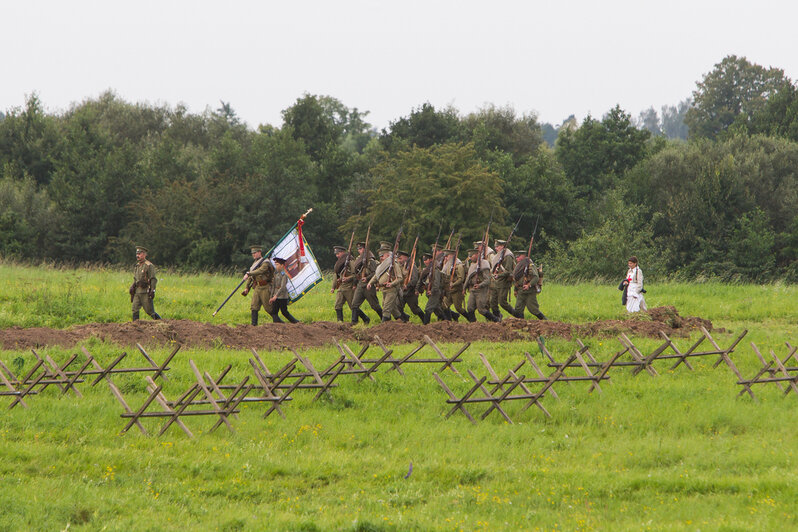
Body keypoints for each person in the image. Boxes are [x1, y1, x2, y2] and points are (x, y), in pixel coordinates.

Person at [367, 243, 405, 322]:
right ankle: (403, 322)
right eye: (380, 256)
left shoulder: (394, 264)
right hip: (384, 289)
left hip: (391, 290)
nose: (380, 258)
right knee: (394, 310)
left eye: (382, 256)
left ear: (388, 255)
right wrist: (370, 283)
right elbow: (376, 275)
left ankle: (383, 326)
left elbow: (400, 278)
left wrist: (391, 284)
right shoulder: (381, 266)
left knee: (386, 309)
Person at [350, 241, 383, 324]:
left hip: (369, 285)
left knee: (375, 306)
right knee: (354, 304)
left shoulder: (370, 260)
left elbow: (375, 273)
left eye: (360, 248)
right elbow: (355, 273)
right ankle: (355, 322)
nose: (359, 250)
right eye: (358, 249)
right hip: (360, 285)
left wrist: (367, 278)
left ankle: (385, 320)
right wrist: (354, 283)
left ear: (365, 249)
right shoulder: (358, 260)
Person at [242, 245, 274, 325]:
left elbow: (260, 271)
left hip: (265, 287)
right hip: (257, 287)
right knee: (254, 306)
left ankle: (278, 323)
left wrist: (249, 273)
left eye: (255, 253)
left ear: (259, 252)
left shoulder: (265, 262)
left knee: (268, 308)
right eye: (252, 253)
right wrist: (247, 288)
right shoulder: (254, 264)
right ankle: (253, 326)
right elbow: (251, 277)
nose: (253, 254)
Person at [464, 248, 498, 322]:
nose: (470, 258)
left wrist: (480, 285)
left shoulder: (484, 264)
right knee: (470, 307)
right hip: (473, 289)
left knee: (481, 310)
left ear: (477, 255)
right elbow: (468, 278)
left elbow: (487, 280)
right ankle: (473, 324)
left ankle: (496, 320)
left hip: (481, 290)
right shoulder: (472, 265)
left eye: (471, 255)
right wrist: (464, 288)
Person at [512, 248, 546, 320]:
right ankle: (521, 324)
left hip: (530, 291)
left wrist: (528, 285)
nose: (516, 258)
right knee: (518, 309)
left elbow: (536, 277)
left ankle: (546, 321)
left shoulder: (530, 265)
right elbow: (516, 279)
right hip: (521, 290)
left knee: (533, 309)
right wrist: (515, 289)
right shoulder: (518, 266)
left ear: (523, 256)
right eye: (516, 256)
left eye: (518, 256)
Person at [129, 246, 161, 321]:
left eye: (139, 254)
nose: (137, 255)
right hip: (137, 291)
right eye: (137, 253)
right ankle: (135, 326)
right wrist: (132, 286)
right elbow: (135, 278)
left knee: (149, 311)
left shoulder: (149, 266)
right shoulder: (137, 266)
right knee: (135, 309)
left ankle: (161, 323)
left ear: (144, 254)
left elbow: (153, 279)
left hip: (145, 292)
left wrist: (153, 290)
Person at [489, 239, 515, 320]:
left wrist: (498, 276)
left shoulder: (508, 256)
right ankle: (497, 318)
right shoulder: (498, 255)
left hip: (504, 283)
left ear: (502, 246)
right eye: (495, 246)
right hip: (496, 282)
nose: (496, 248)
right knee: (492, 302)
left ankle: (517, 315)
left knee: (502, 302)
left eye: (498, 246)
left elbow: (508, 271)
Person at [418, 251, 447, 324]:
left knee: (428, 309)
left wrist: (432, 291)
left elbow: (436, 284)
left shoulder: (435, 270)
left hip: (435, 292)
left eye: (426, 260)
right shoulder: (428, 270)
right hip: (429, 292)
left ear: (431, 260)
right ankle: (446, 321)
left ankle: (425, 325)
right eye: (424, 260)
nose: (425, 262)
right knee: (437, 309)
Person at [269, 257, 300, 323]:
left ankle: (296, 322)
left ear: (282, 265)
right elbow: (273, 286)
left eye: (277, 264)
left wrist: (275, 296)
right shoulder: (276, 274)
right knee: (274, 312)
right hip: (275, 295)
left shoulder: (284, 275)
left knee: (284, 312)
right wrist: (271, 296)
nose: (276, 266)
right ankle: (278, 325)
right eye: (275, 264)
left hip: (282, 296)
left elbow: (282, 287)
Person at [397, 250, 424, 322]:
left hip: (411, 292)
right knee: (398, 307)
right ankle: (405, 320)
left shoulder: (413, 267)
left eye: (400, 258)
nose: (399, 260)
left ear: (406, 258)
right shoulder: (401, 267)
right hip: (403, 292)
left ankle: (425, 321)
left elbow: (415, 280)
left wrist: (407, 286)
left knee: (415, 309)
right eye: (398, 259)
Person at [331, 245, 356, 322]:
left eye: (338, 254)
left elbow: (355, 274)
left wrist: (348, 278)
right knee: (337, 305)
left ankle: (364, 319)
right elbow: (336, 275)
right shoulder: (339, 263)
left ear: (342, 252)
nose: (337, 256)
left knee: (352, 306)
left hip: (348, 286)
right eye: (336, 254)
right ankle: (340, 322)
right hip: (341, 287)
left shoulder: (350, 260)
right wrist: (333, 287)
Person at [441, 248, 466, 321]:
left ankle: (471, 319)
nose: (445, 258)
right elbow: (444, 273)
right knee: (444, 305)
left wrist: (453, 284)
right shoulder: (448, 264)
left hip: (456, 290)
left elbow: (461, 278)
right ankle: (449, 321)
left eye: (447, 256)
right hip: (449, 290)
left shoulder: (459, 264)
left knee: (458, 308)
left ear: (452, 255)